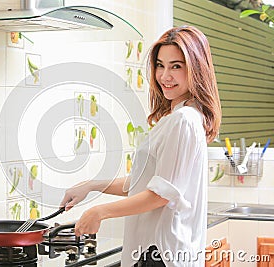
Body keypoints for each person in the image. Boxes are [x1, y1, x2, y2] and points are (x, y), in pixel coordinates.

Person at [60, 25, 222, 267]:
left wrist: (100, 212)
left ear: (196, 68)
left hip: (161, 254)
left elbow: (160, 195)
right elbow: (146, 183)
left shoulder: (184, 120)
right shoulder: (180, 117)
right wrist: (93, 185)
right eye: (160, 65)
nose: (165, 76)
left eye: (176, 66)